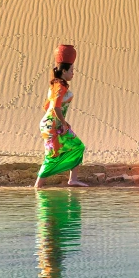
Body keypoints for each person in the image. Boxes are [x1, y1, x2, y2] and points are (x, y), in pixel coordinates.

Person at [35, 45, 87, 188]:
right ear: (64, 71)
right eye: (71, 70)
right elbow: (56, 106)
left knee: (78, 146)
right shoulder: (60, 86)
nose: (73, 73)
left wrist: (61, 121)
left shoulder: (56, 85)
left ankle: (73, 179)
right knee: (52, 154)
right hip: (52, 124)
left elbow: (47, 106)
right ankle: (37, 186)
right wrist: (63, 123)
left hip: (53, 122)